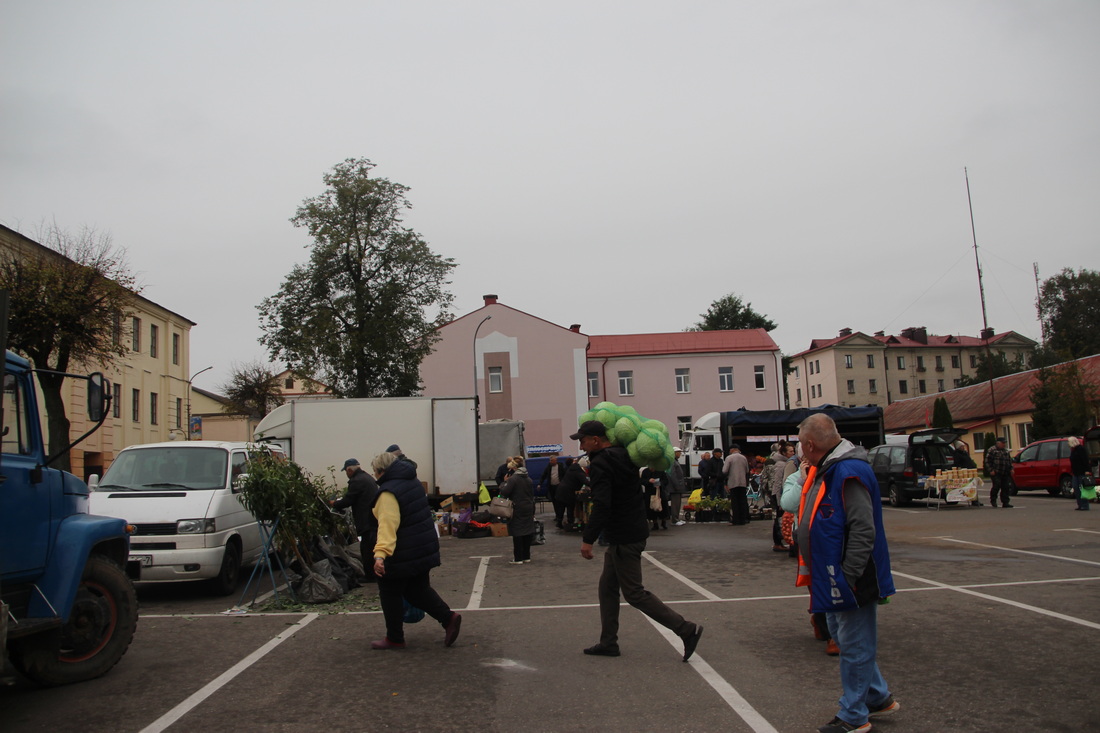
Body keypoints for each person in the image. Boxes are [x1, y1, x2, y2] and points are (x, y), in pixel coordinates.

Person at [795, 414, 898, 733]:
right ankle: (877, 696)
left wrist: (848, 576)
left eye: (800, 445)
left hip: (850, 577)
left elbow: (863, 529)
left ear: (810, 444)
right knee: (843, 636)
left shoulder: (847, 470)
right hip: (833, 575)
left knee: (854, 644)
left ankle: (854, 715)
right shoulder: (831, 467)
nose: (800, 450)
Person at [573, 420, 704, 661]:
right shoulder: (624, 455)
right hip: (632, 529)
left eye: (583, 440)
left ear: (596, 440)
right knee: (607, 588)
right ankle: (608, 642)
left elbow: (602, 503)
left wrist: (588, 539)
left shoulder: (601, 462)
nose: (581, 446)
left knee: (634, 593)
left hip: (624, 535)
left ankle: (685, 629)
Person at [367, 451, 461, 650]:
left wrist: (380, 555)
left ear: (381, 471)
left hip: (402, 551)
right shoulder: (413, 482)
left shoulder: (388, 492)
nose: (374, 476)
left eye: (375, 472)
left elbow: (387, 526)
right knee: (417, 589)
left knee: (390, 592)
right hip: (422, 547)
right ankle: (448, 618)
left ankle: (394, 638)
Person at [330, 458, 380, 550]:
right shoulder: (368, 477)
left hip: (366, 523)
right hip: (374, 520)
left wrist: (334, 504)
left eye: (346, 471)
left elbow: (348, 500)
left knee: (368, 551)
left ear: (349, 470)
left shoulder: (356, 481)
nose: (346, 474)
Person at [499, 456, 536, 563]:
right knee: (527, 531)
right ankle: (526, 556)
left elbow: (504, 492)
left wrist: (504, 482)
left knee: (517, 532)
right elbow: (532, 495)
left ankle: (518, 558)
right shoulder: (528, 479)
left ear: (514, 468)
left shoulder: (513, 479)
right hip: (528, 507)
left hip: (517, 507)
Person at [722, 444, 751, 525]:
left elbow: (724, 470)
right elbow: (747, 470)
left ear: (732, 450)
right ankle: (743, 519)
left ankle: (736, 519)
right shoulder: (744, 458)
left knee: (735, 501)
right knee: (743, 500)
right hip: (742, 482)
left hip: (733, 482)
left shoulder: (729, 458)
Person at [555, 456, 586, 531]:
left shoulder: (571, 469)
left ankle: (559, 522)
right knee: (570, 507)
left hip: (560, 490)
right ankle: (570, 523)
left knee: (561, 507)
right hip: (568, 492)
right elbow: (585, 481)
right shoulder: (578, 471)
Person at [984, 436, 1014, 508]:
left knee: (1006, 487)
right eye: (1002, 443)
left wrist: (1011, 468)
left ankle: (1005, 502)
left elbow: (1009, 461)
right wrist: (991, 470)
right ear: (998, 443)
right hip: (996, 472)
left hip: (1005, 472)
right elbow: (987, 461)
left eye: (1004, 443)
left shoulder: (1006, 451)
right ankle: (993, 500)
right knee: (996, 486)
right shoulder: (992, 450)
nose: (1004, 444)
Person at [538, 455, 566, 528]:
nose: (550, 462)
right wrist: (540, 483)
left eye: (552, 461)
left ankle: (560, 516)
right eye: (550, 461)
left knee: (559, 501)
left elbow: (564, 475)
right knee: (554, 501)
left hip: (559, 486)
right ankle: (557, 515)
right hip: (551, 486)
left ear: (555, 460)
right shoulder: (549, 467)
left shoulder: (560, 466)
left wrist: (563, 483)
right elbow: (544, 475)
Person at [641, 465, 670, 530]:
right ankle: (655, 523)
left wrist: (660, 483)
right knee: (651, 509)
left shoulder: (660, 471)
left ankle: (663, 521)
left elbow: (666, 481)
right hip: (649, 493)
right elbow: (642, 481)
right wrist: (648, 481)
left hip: (660, 492)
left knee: (663, 507)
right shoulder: (645, 471)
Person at [1069, 437, 1092, 511]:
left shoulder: (1081, 449)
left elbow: (1085, 460)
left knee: (1083, 489)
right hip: (1075, 472)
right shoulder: (1073, 450)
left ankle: (1085, 505)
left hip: (1082, 472)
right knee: (1076, 488)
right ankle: (1080, 504)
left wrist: (1087, 470)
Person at [668, 447, 687, 525]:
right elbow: (673, 475)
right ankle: (675, 520)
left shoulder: (675, 461)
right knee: (675, 504)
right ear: (675, 453)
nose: (680, 454)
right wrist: (677, 485)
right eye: (679, 452)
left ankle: (677, 518)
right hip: (675, 487)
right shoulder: (673, 462)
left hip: (677, 486)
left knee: (678, 503)